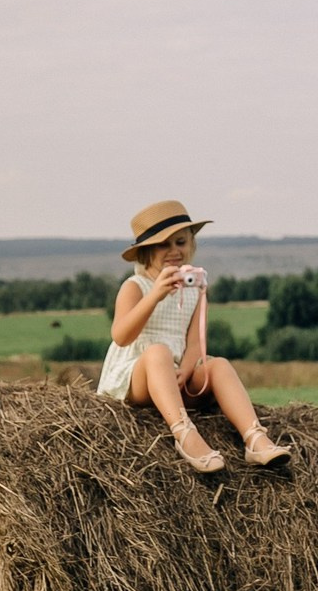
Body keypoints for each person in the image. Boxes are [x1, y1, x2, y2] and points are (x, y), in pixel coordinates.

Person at [96, 199, 289, 473]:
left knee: (218, 364)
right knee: (158, 352)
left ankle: (255, 438)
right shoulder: (135, 286)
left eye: (181, 242)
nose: (174, 251)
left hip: (174, 379)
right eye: (164, 244)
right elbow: (121, 336)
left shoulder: (196, 288)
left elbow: (197, 342)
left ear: (192, 245)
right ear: (146, 252)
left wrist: (186, 371)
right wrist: (156, 295)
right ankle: (184, 434)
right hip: (135, 379)